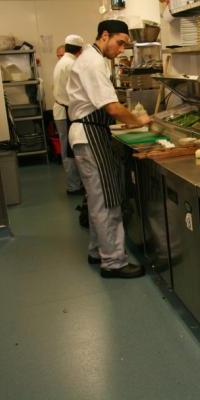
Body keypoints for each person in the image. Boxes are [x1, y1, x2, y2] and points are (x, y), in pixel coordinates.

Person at [67, 20, 151, 279]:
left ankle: (97, 250)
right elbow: (112, 108)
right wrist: (138, 121)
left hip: (87, 133)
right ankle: (114, 262)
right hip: (89, 134)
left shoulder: (91, 58)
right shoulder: (93, 62)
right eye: (120, 42)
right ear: (104, 36)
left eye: (125, 44)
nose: (122, 49)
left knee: (96, 199)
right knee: (106, 200)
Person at [53, 34, 84, 195]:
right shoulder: (71, 64)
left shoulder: (62, 62)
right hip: (65, 112)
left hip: (62, 111)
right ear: (80, 50)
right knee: (70, 150)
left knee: (68, 149)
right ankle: (73, 186)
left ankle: (74, 183)